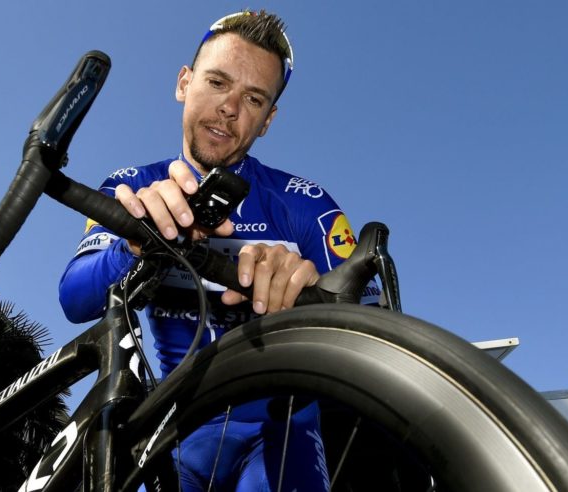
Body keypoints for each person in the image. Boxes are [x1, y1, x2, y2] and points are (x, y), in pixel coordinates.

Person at [59, 10, 374, 491]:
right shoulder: (130, 186)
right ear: (184, 83)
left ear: (267, 121)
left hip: (281, 429)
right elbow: (75, 299)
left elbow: (380, 320)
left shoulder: (306, 204)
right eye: (217, 82)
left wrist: (317, 293)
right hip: (174, 430)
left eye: (253, 98)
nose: (230, 107)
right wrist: (135, 244)